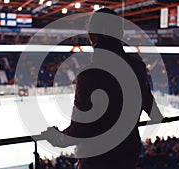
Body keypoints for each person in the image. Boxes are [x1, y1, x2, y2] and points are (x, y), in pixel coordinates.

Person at [41, 8, 163, 169]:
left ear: (98, 36)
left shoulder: (90, 75)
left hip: (98, 161)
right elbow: (155, 113)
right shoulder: (137, 67)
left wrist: (56, 137)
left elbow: (79, 131)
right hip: (129, 155)